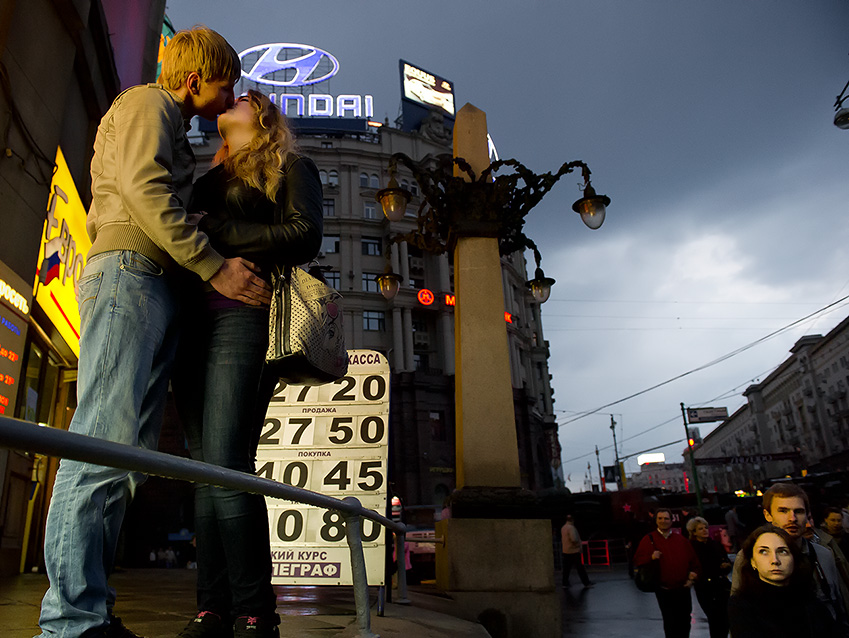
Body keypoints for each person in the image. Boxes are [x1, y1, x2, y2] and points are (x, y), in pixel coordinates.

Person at [36, 27, 271, 638]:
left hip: (150, 283)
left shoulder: (169, 123)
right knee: (99, 442)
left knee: (124, 457)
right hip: (128, 276)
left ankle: (91, 611)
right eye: (226, 84)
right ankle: (69, 621)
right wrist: (215, 266)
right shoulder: (149, 103)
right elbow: (141, 189)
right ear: (195, 80)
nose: (231, 97)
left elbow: (149, 189)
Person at [172, 89, 322, 638]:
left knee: (227, 464)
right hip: (189, 323)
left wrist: (212, 229)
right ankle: (211, 609)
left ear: (259, 116)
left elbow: (305, 235)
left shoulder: (289, 166)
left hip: (243, 316)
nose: (224, 104)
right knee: (201, 470)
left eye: (237, 99)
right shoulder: (202, 178)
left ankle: (257, 611)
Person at [730, 483, 849, 626]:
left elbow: (839, 605)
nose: (792, 518)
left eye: (798, 511)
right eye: (783, 511)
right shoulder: (748, 557)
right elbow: (738, 616)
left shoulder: (823, 554)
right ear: (768, 515)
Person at [728, 525, 836, 637]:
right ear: (753, 562)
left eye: (782, 552)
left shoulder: (810, 601)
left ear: (794, 558)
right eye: (764, 552)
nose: (775, 560)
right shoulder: (742, 604)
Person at [634, 509, 701, 638]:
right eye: (660, 518)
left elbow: (694, 562)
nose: (663, 521)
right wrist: (651, 557)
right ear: (656, 521)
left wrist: (693, 576)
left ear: (671, 521)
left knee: (685, 621)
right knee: (670, 622)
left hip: (683, 588)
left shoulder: (681, 540)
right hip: (664, 590)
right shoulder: (649, 539)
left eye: (666, 518)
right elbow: (637, 560)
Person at [686, 516, 731, 638]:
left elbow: (726, 562)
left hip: (722, 585)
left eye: (705, 527)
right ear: (694, 532)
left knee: (726, 618)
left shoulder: (715, 544)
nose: (704, 530)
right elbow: (699, 567)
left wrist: (726, 565)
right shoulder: (692, 548)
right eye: (700, 529)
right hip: (705, 587)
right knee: (714, 618)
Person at [560, 514, 593, 588]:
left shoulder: (563, 527)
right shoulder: (571, 528)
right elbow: (574, 539)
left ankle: (565, 583)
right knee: (580, 568)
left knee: (566, 569)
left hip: (566, 550)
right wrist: (578, 545)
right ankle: (586, 583)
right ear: (573, 520)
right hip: (573, 551)